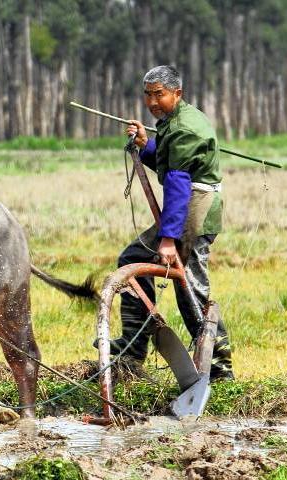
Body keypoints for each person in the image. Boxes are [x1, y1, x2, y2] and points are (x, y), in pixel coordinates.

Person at [113, 65, 233, 382]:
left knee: (190, 287)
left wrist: (168, 239)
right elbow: (170, 165)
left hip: (194, 209)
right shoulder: (173, 121)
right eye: (148, 95)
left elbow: (179, 184)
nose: (152, 102)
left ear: (176, 93)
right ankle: (133, 349)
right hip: (188, 205)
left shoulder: (184, 129)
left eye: (159, 95)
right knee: (135, 260)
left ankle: (220, 368)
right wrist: (146, 144)